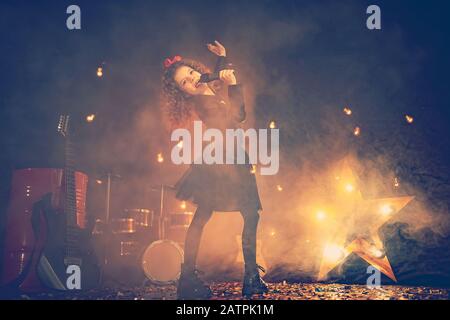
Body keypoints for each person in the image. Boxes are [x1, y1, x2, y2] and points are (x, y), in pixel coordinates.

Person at [161, 41, 268, 299]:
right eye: (185, 83)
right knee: (222, 216)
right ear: (183, 93)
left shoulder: (209, 89)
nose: (192, 80)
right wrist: (232, 83)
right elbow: (237, 117)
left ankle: (242, 277)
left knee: (239, 215)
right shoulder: (205, 104)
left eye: (191, 73)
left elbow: (211, 79)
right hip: (220, 162)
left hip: (229, 159)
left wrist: (223, 59)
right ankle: (240, 278)